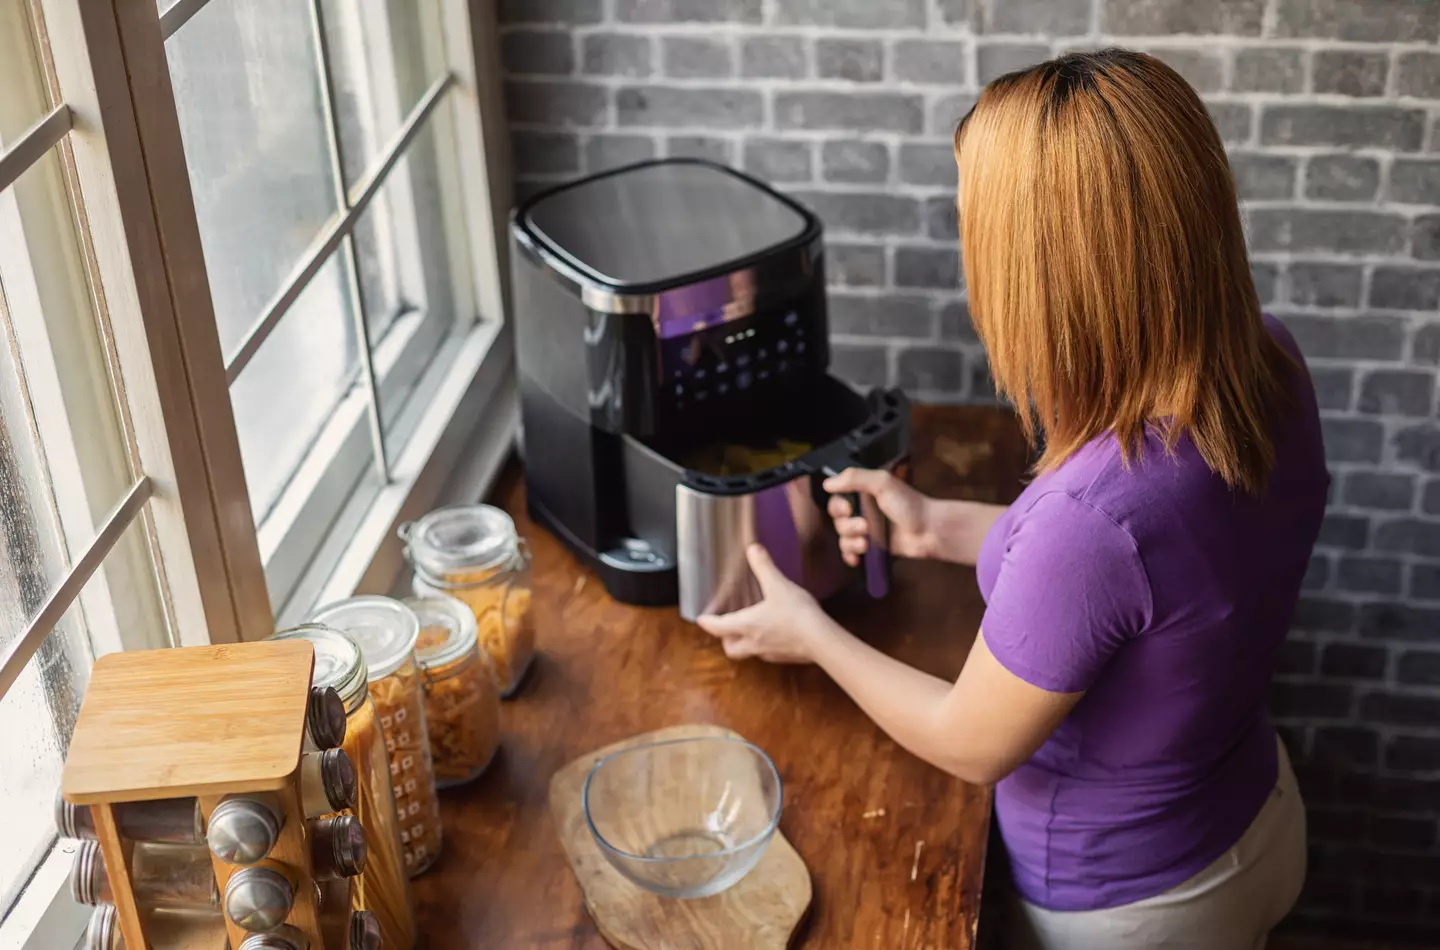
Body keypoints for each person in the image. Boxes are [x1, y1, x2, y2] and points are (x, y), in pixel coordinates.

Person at [697, 49, 1327, 950]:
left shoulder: (1094, 522)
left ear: (1052, 271)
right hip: (1260, 815)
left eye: (980, 234)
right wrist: (934, 525)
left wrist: (812, 636)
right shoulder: (1270, 362)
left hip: (1140, 907)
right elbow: (1153, 584)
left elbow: (971, 741)